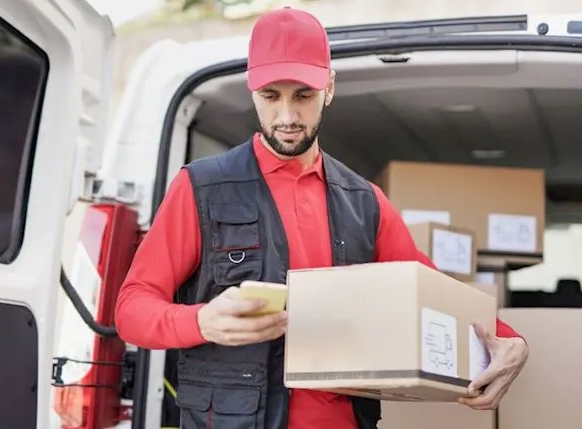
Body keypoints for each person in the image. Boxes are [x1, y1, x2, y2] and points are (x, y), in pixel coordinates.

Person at [114, 7, 529, 429]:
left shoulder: (365, 202)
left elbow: (433, 295)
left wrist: (509, 340)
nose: (288, 117)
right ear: (252, 89)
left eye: (303, 95)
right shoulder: (200, 188)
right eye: (271, 96)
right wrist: (201, 321)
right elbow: (131, 309)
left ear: (329, 87)